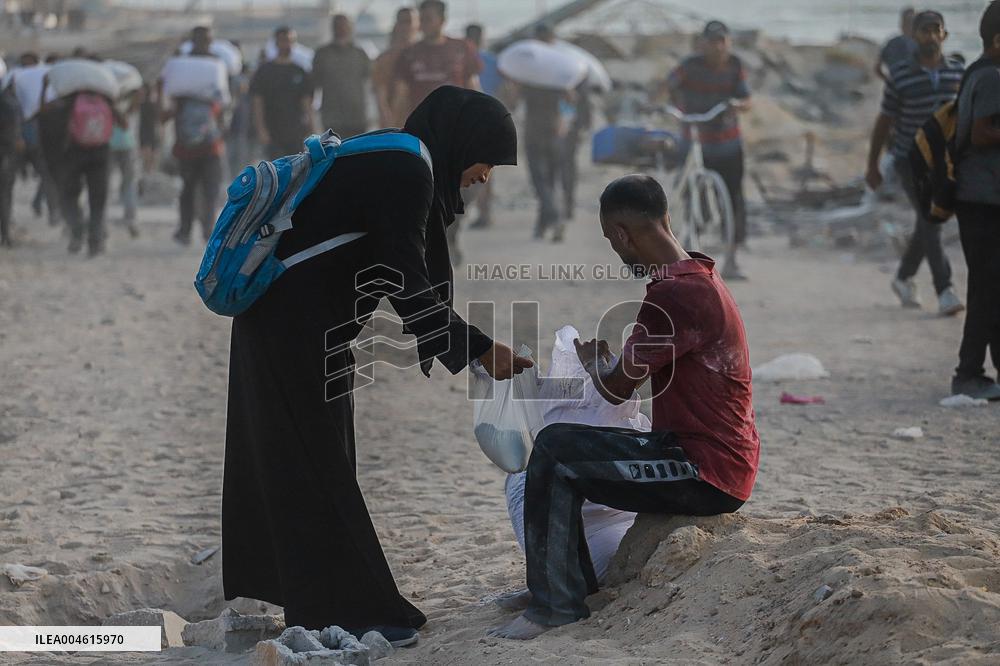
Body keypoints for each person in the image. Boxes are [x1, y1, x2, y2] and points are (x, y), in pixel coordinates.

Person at [222, 87, 529, 646]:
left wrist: (466, 344)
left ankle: (309, 596)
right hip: (293, 328)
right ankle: (351, 610)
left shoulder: (397, 155)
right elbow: (405, 277)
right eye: (488, 161)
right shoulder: (406, 172)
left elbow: (392, 272)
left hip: (300, 326)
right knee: (317, 466)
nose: (485, 177)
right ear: (463, 142)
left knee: (309, 460)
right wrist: (480, 348)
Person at [488, 174, 759, 640]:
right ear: (666, 218)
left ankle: (554, 604)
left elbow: (615, 389)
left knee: (554, 449)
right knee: (565, 451)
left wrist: (595, 363)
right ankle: (562, 583)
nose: (616, 251)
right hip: (712, 457)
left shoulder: (672, 296)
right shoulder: (699, 275)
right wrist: (612, 366)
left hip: (704, 471)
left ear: (620, 234)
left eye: (611, 241)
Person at [865, 10, 965, 316]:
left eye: (936, 30)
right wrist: (872, 165)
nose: (931, 36)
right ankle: (945, 289)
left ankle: (904, 277)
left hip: (946, 160)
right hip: (910, 158)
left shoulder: (957, 74)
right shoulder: (901, 75)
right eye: (925, 30)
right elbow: (884, 121)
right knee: (932, 218)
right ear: (914, 35)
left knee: (930, 220)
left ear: (945, 35)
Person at [667, 20, 752, 281]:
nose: (717, 47)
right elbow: (668, 85)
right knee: (688, 193)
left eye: (721, 41)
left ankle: (733, 259)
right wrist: (674, 106)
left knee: (735, 198)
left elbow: (747, 99)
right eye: (711, 41)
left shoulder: (735, 65)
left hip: (727, 142)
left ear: (728, 42)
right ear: (702, 43)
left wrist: (739, 106)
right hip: (694, 137)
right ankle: (685, 253)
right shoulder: (689, 66)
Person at [950, 1, 1000, 400]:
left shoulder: (976, 71)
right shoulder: (993, 76)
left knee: (989, 287)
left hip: (977, 197)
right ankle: (967, 373)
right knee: (984, 290)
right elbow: (982, 133)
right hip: (984, 199)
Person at [38, 71, 117, 256]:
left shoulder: (70, 99)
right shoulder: (105, 100)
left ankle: (76, 233)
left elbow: (43, 110)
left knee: (70, 195)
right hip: (101, 153)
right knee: (98, 200)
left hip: (75, 152)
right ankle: (96, 241)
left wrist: (45, 87)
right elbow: (124, 123)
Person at [161, 26, 227, 246]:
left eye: (207, 40)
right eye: (201, 39)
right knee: (189, 189)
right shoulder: (183, 66)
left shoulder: (215, 66)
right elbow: (170, 100)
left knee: (209, 189)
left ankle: (205, 229)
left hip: (209, 142)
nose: (204, 43)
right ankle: (187, 229)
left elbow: (225, 100)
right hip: (188, 143)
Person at [514, 24, 568, 241]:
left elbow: (515, 99)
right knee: (550, 180)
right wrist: (564, 119)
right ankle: (543, 224)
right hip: (555, 128)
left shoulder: (529, 70)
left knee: (540, 180)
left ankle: (553, 218)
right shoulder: (561, 68)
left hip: (536, 130)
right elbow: (570, 99)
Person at [391, 0, 482, 122]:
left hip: (456, 123)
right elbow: (401, 96)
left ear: (442, 20)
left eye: (428, 19)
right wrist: (397, 130)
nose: (423, 24)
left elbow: (473, 87)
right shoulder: (408, 54)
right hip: (422, 126)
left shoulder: (462, 48)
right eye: (421, 19)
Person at [251, 26, 315, 159]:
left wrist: (311, 126)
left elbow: (306, 102)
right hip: (273, 131)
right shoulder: (264, 71)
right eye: (283, 40)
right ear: (276, 43)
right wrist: (261, 129)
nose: (287, 45)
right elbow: (257, 102)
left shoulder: (299, 71)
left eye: (290, 41)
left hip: (296, 131)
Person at [313, 14, 371, 139]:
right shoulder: (322, 54)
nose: (342, 29)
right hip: (332, 118)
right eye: (338, 26)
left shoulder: (360, 54)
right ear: (333, 28)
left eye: (345, 26)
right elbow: (314, 84)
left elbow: (371, 84)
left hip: (357, 117)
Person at [464, 22, 497, 230]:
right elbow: (507, 90)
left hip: (468, 122)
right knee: (487, 169)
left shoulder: (462, 60)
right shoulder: (492, 61)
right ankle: (485, 213)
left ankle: (472, 211)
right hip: (491, 120)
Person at [373, 7, 417, 128]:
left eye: (410, 21)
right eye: (403, 21)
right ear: (396, 25)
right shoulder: (384, 59)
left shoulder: (425, 55)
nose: (406, 26)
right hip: (395, 124)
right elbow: (380, 94)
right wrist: (387, 122)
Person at [109, 87, 140, 238]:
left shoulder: (108, 103)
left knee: (121, 183)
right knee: (128, 183)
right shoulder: (124, 104)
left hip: (112, 146)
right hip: (125, 146)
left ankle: (129, 217)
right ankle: (130, 217)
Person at [0, 78, 21, 247]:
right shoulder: (9, 102)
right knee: (5, 195)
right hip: (5, 154)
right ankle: (5, 234)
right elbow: (12, 133)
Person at [876, 8, 918, 82]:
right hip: (913, 84)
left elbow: (878, 68)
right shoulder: (921, 44)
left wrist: (890, 81)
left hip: (899, 84)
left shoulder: (891, 42)